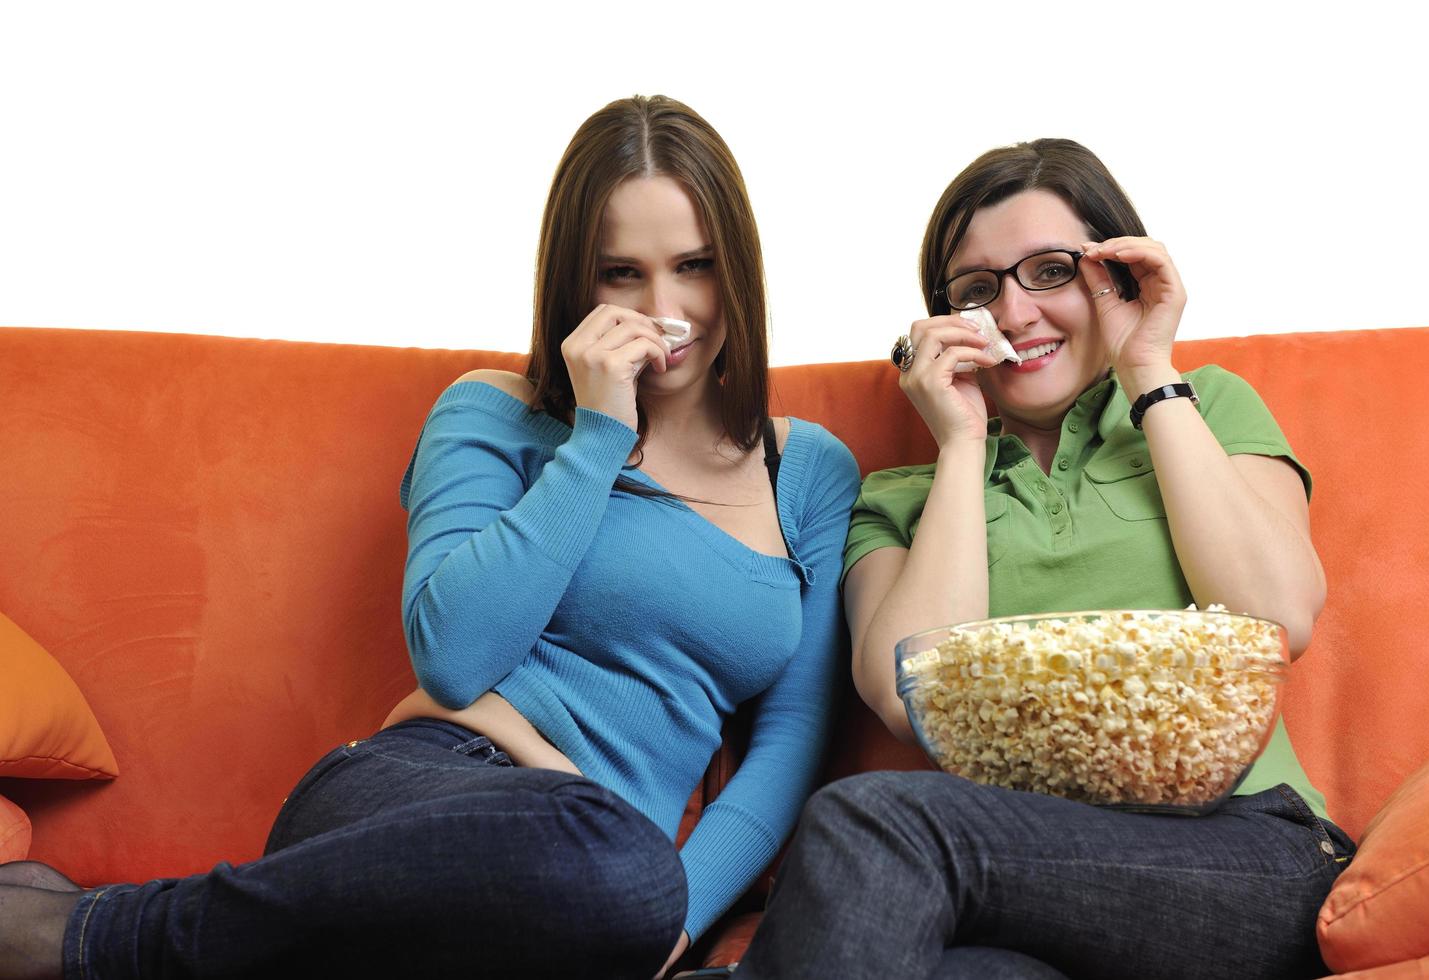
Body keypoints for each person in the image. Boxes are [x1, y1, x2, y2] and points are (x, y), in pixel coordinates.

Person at [0, 95, 858, 980]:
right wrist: (599, 436)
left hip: (586, 882)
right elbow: (453, 658)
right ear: (576, 281)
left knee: (623, 870)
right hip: (424, 791)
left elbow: (791, 741)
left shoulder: (809, 473)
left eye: (695, 266)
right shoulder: (494, 413)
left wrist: (666, 925)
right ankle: (96, 941)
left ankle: (52, 918)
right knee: (611, 853)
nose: (664, 310)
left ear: (739, 270)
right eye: (622, 274)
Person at [732, 139, 1354, 980]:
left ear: (1117, 279)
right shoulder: (899, 497)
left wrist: (1148, 372)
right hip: (1025, 878)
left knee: (866, 817)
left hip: (1247, 851)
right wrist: (959, 448)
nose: (1016, 315)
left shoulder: (1203, 407)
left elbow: (1279, 615)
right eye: (980, 291)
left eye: (1051, 272)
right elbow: (900, 691)